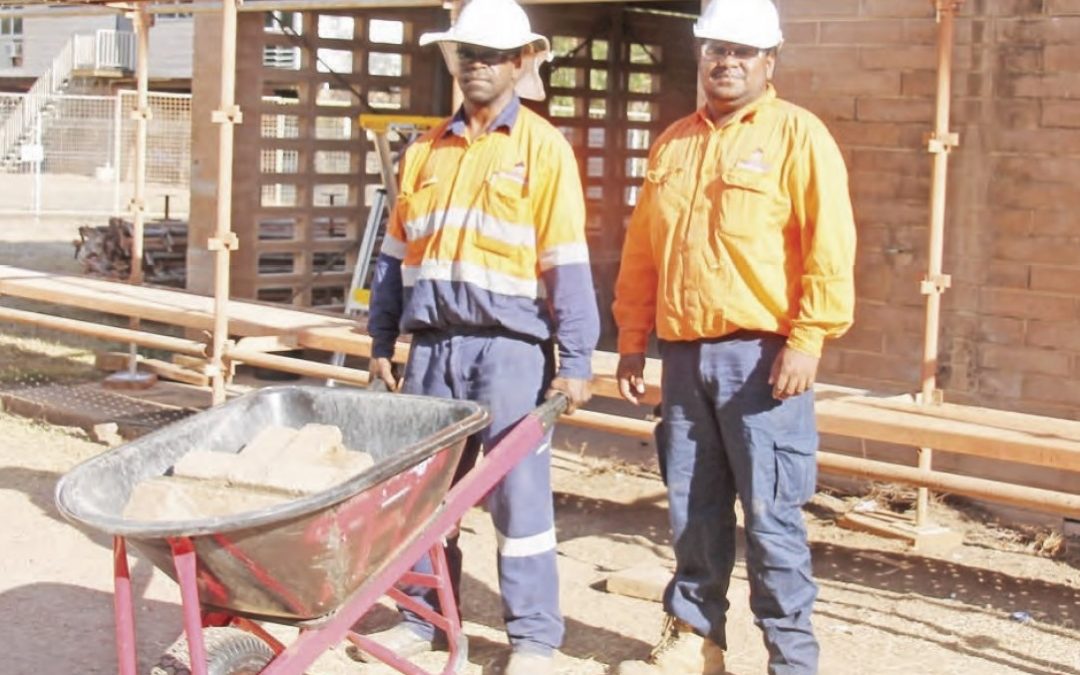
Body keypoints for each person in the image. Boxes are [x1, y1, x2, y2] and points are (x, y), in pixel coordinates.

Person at [611, 0, 856, 673]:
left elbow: (829, 247)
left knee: (773, 518)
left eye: (744, 51)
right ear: (701, 53)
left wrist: (809, 338)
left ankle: (790, 658)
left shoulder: (799, 137)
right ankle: (697, 640)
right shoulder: (673, 144)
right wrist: (633, 337)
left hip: (764, 361)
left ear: (769, 61)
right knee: (693, 508)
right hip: (686, 359)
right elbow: (642, 254)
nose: (728, 61)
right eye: (717, 47)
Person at [360, 0, 600, 671]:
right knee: (421, 494)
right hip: (434, 349)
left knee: (519, 499)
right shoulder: (425, 152)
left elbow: (567, 263)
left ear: (522, 63)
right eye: (468, 55)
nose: (476, 68)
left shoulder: (542, 150)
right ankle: (422, 616)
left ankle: (533, 638)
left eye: (492, 56)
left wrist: (576, 357)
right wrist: (382, 343)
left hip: (510, 352)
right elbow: (395, 259)